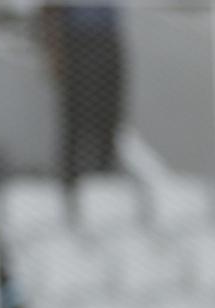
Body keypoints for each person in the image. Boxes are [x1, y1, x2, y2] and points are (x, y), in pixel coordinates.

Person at [40, 5, 124, 189]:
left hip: (108, 35)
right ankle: (70, 179)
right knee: (77, 111)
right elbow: (49, 9)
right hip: (79, 37)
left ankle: (105, 172)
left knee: (110, 111)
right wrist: (54, 51)